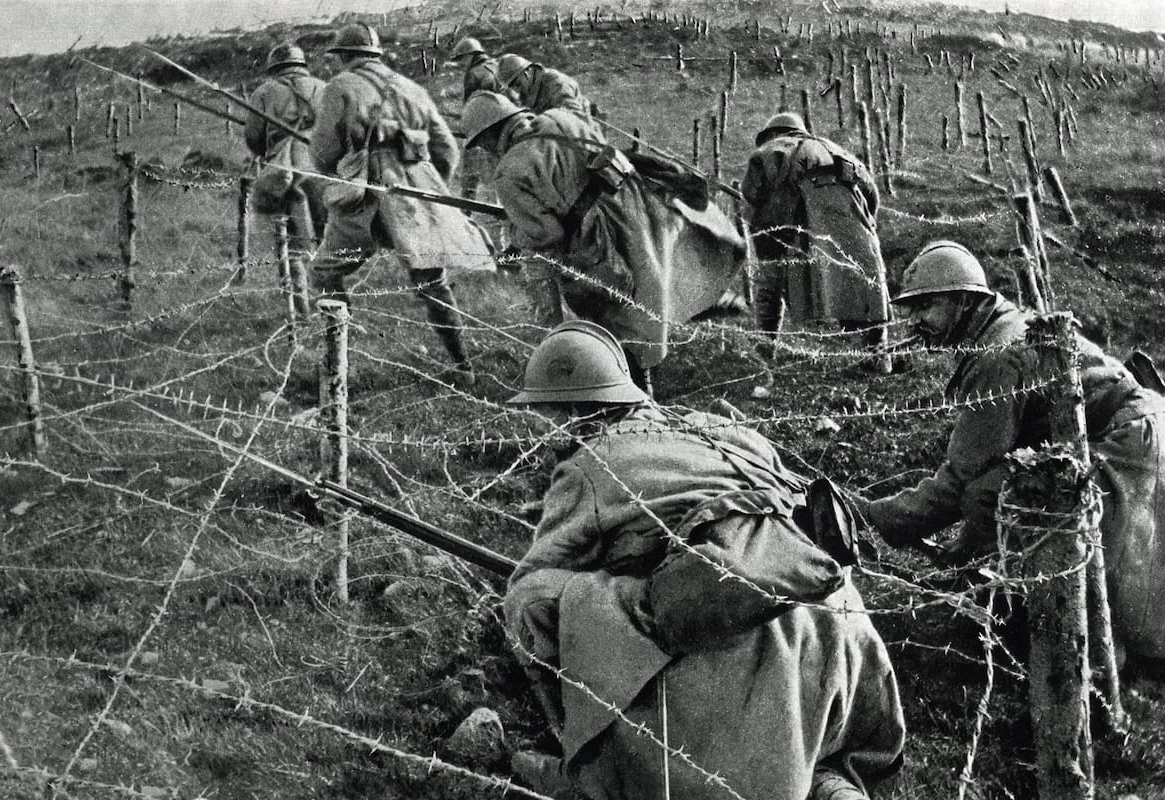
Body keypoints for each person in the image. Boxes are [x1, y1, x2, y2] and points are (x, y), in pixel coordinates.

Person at [503, 320, 906, 800]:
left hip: (751, 634)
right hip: (834, 626)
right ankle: (828, 786)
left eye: (548, 416)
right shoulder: (717, 427)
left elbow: (535, 575)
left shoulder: (589, 466)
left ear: (572, 411)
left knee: (530, 602)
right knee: (807, 756)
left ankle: (589, 766)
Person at [858, 240, 1165, 661]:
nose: (915, 322)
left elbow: (963, 477)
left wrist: (880, 516)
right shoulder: (999, 326)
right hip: (1139, 424)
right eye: (911, 309)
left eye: (927, 307)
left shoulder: (995, 355)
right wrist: (962, 551)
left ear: (964, 302)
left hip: (1128, 443)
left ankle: (1052, 636)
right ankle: (1026, 608)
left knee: (996, 496)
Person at [460, 90, 746, 389]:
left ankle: (634, 388)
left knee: (614, 312)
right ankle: (703, 305)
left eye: (483, 144)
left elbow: (547, 234)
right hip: (634, 208)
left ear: (491, 136)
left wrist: (516, 236)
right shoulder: (561, 118)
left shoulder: (509, 173)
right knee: (657, 282)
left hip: (595, 238)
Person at [308, 24, 496, 382]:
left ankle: (337, 368)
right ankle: (464, 367)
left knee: (325, 271)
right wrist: (424, 178)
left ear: (346, 57)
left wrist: (348, 167)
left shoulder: (340, 87)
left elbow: (322, 154)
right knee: (432, 280)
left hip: (365, 198)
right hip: (415, 196)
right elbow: (447, 150)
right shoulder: (412, 88)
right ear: (375, 54)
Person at [741, 111, 891, 368]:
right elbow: (871, 193)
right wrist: (864, 225)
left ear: (773, 134)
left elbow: (750, 193)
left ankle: (765, 351)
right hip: (850, 220)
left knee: (770, 279)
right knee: (868, 283)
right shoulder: (835, 149)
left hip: (791, 227)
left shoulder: (767, 152)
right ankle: (879, 356)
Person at [244, 43, 327, 290]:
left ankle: (300, 311)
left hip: (286, 171)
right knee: (325, 240)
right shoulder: (324, 88)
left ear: (274, 67)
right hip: (324, 169)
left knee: (292, 242)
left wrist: (272, 145)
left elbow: (254, 138)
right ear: (302, 65)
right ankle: (330, 302)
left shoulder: (264, 92)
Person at [449, 37, 501, 203]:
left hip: (480, 129)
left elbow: (470, 107)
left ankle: (466, 210)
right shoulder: (496, 65)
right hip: (502, 126)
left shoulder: (473, 74)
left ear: (471, 55)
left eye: (462, 58)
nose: (461, 64)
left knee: (469, 176)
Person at [496, 54, 594, 121]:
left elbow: (576, 119)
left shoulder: (556, 84)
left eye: (517, 84)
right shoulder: (527, 90)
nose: (516, 91)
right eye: (512, 87)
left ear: (527, 73)